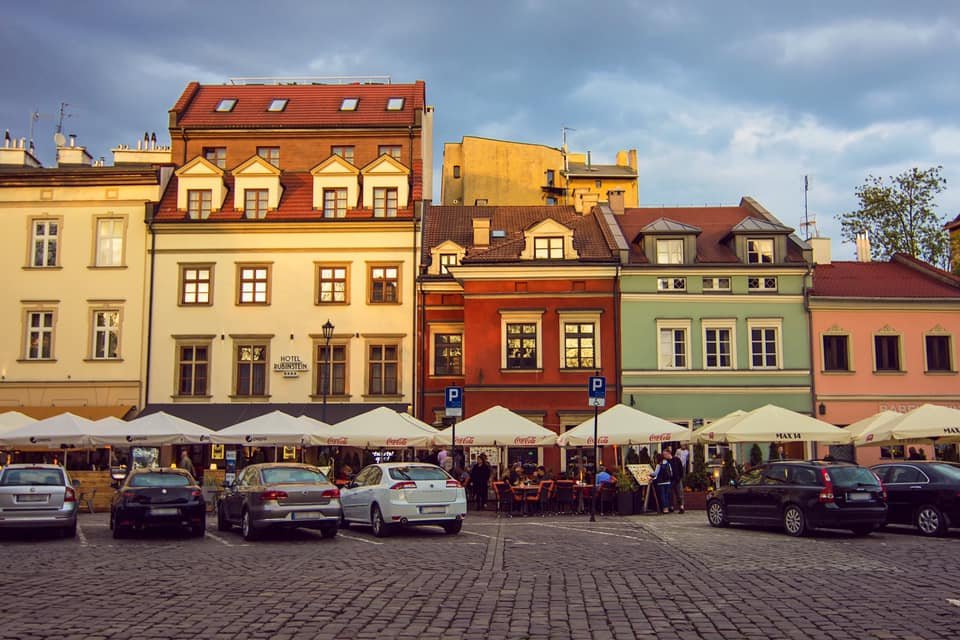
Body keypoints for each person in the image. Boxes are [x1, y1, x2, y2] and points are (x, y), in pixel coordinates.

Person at [669, 446, 685, 514]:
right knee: (671, 494)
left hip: (678, 479)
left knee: (679, 493)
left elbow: (681, 469)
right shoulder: (667, 461)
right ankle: (672, 507)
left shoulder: (677, 460)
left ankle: (681, 507)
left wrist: (680, 477)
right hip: (671, 480)